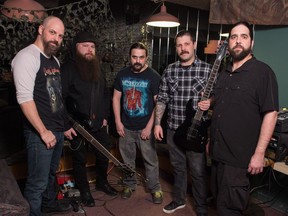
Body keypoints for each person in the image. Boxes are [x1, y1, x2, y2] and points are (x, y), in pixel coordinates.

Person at [198, 21, 279, 216]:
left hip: (239, 158)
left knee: (231, 208)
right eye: (233, 37)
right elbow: (220, 109)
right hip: (218, 153)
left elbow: (271, 113)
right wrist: (210, 139)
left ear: (252, 43)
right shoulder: (224, 73)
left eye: (244, 37)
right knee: (218, 200)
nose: (238, 41)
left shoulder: (262, 72)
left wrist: (259, 154)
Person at [12, 16, 72, 215]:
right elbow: (24, 99)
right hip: (40, 133)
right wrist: (43, 131)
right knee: (36, 183)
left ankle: (48, 206)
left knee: (49, 176)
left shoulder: (53, 60)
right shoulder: (26, 57)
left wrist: (64, 125)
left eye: (60, 35)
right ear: (41, 29)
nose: (56, 39)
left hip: (56, 130)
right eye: (52, 32)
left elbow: (55, 99)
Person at [154, 30, 211, 215]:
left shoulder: (207, 69)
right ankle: (179, 200)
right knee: (178, 168)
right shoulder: (170, 70)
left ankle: (201, 207)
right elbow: (162, 98)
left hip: (195, 130)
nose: (183, 48)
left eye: (186, 44)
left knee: (198, 171)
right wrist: (156, 124)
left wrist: (211, 101)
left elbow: (218, 95)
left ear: (194, 45)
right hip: (173, 128)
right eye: (179, 45)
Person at [61, 31, 118, 207]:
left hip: (98, 123)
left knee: (103, 154)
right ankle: (84, 190)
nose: (89, 49)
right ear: (75, 47)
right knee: (79, 159)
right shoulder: (67, 68)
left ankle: (102, 182)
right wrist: (65, 124)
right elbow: (58, 99)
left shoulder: (97, 67)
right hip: (76, 124)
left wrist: (105, 117)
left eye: (92, 46)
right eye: (85, 45)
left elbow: (104, 93)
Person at [112, 42, 163, 204]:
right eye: (135, 57)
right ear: (130, 57)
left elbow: (158, 104)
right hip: (126, 126)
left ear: (146, 57)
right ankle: (129, 184)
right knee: (127, 159)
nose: (138, 61)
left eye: (141, 57)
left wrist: (149, 127)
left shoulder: (154, 76)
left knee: (150, 160)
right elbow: (116, 98)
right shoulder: (122, 74)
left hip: (144, 127)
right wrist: (118, 122)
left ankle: (155, 188)